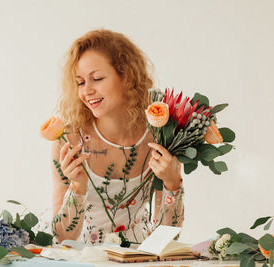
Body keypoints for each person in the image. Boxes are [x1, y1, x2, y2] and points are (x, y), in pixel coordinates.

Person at [51, 29, 184, 246]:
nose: (87, 91)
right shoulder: (69, 140)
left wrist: (172, 183)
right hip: (82, 261)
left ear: (127, 77)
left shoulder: (161, 137)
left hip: (137, 258)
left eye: (97, 78)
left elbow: (167, 239)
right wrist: (78, 188)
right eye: (80, 82)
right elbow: (62, 238)